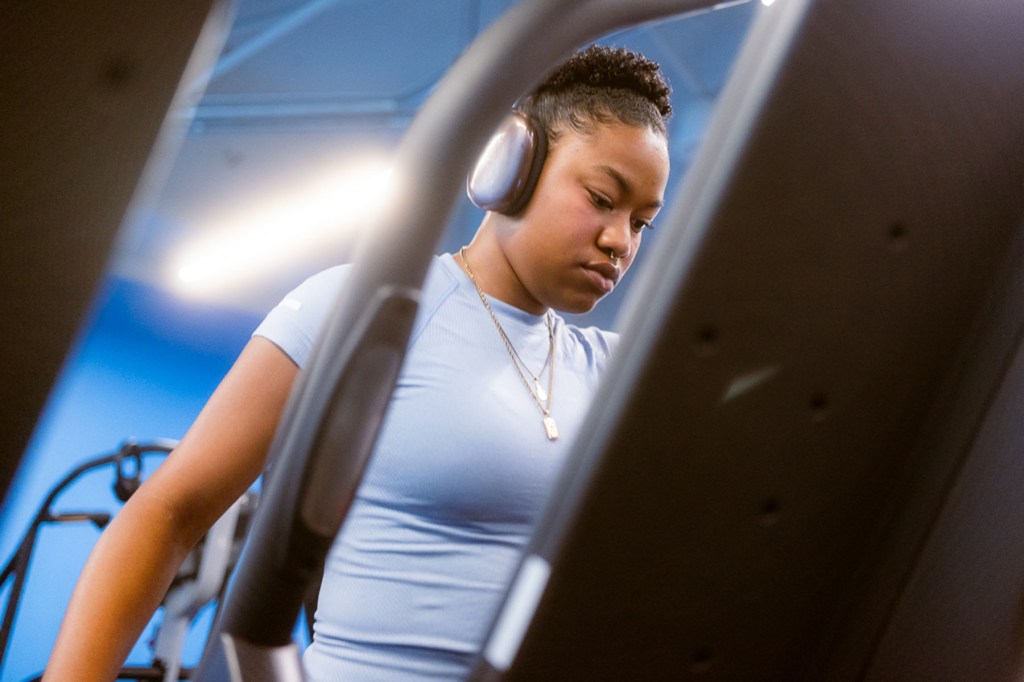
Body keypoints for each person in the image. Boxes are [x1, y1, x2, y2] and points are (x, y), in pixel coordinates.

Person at [43, 44, 672, 681]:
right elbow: (169, 513)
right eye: (600, 198)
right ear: (512, 167)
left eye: (642, 222)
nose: (619, 241)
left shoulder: (611, 372)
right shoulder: (360, 309)